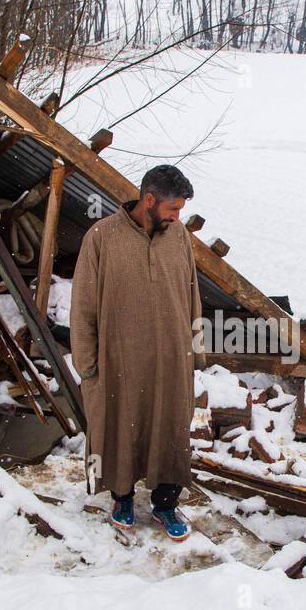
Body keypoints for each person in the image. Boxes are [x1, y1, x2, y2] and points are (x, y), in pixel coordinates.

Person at [69, 165, 201, 541]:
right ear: (148, 200)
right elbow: (83, 305)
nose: (177, 217)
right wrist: (87, 362)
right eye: (173, 209)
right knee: (119, 426)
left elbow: (192, 294)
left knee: (171, 427)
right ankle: (122, 497)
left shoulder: (178, 237)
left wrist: (197, 350)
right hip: (120, 359)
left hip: (173, 358)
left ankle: (165, 503)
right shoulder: (102, 237)